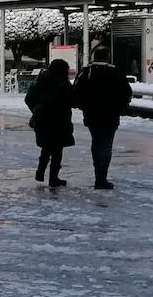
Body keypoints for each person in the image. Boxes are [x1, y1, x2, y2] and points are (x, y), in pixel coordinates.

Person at [73, 46, 133, 189]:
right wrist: (121, 108)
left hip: (91, 114)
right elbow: (126, 92)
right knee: (106, 144)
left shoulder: (86, 72)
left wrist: (84, 106)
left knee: (96, 142)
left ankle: (98, 174)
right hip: (110, 116)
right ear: (107, 57)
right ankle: (102, 177)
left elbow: (75, 92)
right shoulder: (115, 72)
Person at [25, 58, 74, 188]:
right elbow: (71, 100)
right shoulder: (63, 83)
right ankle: (53, 178)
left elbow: (29, 98)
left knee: (46, 148)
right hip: (59, 120)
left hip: (42, 120)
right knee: (57, 150)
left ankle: (40, 172)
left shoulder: (40, 80)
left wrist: (36, 110)